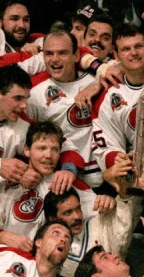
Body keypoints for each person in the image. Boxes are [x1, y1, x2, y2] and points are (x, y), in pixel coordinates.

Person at [0, 121, 97, 251]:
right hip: (8, 261)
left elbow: (99, 214)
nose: (49, 156)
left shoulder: (66, 182)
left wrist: (106, 201)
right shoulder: (6, 182)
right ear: (27, 150)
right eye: (42, 148)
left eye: (55, 149)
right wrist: (3, 236)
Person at [26, 30, 99, 187]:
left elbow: (122, 71)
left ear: (77, 56)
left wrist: (98, 84)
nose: (55, 60)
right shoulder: (34, 92)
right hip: (62, 178)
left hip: (101, 174)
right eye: (49, 53)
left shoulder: (95, 79)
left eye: (63, 53)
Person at [91, 23, 144, 172]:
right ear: (116, 56)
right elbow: (106, 145)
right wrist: (119, 159)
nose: (133, 53)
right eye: (126, 49)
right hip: (140, 175)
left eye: (138, 46)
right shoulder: (110, 95)